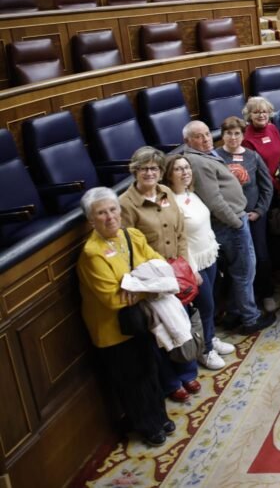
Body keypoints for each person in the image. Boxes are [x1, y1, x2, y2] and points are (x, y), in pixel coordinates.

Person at [77, 187, 173, 446]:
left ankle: (160, 416)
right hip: (113, 330)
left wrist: (137, 288)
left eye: (112, 209)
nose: (109, 217)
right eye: (101, 213)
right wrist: (147, 288)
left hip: (139, 319)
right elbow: (112, 298)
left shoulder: (131, 235)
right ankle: (147, 426)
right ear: (91, 220)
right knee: (132, 380)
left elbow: (157, 264)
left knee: (150, 369)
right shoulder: (91, 253)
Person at [118, 147, 200, 403]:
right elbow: (127, 246)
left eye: (154, 168)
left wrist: (188, 267)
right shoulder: (125, 204)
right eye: (144, 169)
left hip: (177, 274)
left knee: (183, 324)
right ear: (135, 171)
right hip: (151, 280)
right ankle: (170, 382)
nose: (150, 173)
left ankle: (188, 373)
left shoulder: (165, 193)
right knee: (161, 332)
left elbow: (180, 234)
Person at [183, 120, 274, 335]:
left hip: (234, 220)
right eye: (198, 136)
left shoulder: (204, 156)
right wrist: (236, 221)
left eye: (206, 134)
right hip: (230, 223)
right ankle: (250, 318)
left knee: (239, 270)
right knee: (244, 271)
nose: (205, 139)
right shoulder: (197, 162)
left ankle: (234, 312)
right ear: (187, 141)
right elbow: (214, 200)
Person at [163, 155, 235, 371]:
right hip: (194, 263)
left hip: (209, 255)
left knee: (212, 301)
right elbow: (178, 239)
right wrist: (192, 269)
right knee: (205, 306)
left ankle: (210, 338)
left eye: (187, 168)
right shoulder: (170, 202)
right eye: (178, 169)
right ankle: (204, 351)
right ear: (169, 174)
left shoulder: (190, 193)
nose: (185, 172)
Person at [218, 117, 275, 311]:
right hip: (227, 219)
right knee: (234, 261)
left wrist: (259, 211)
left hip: (253, 217)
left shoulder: (253, 156)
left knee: (261, 255)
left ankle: (266, 293)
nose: (233, 137)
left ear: (243, 135)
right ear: (222, 135)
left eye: (237, 133)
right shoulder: (215, 157)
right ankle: (237, 302)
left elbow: (267, 188)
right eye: (228, 133)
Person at [241, 96, 280, 181]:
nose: (261, 115)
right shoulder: (246, 139)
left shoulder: (272, 128)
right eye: (256, 112)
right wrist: (278, 186)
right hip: (266, 185)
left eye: (264, 112)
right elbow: (257, 171)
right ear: (249, 115)